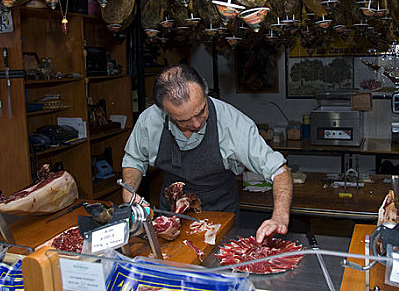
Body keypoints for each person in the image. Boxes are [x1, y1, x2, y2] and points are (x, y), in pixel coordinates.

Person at [121, 64, 292, 243]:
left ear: (205, 92)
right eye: (184, 120)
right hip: (170, 216)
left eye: (201, 111)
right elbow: (134, 158)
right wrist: (129, 194)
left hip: (220, 213)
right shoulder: (150, 121)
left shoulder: (233, 124)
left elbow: (279, 170)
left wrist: (279, 217)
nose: (196, 124)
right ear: (165, 113)